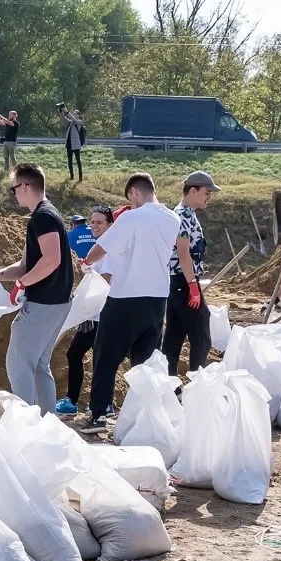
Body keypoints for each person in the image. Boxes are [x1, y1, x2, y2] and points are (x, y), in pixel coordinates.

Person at [78, 173, 180, 433]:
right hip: (157, 299)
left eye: (130, 198)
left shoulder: (131, 218)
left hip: (125, 298)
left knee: (106, 357)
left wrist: (87, 261)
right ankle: (145, 417)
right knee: (145, 363)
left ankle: (98, 415)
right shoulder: (172, 218)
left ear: (134, 192)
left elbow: (101, 248)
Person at [0, 163, 74, 414]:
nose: (14, 193)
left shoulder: (43, 217)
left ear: (25, 186)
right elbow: (27, 265)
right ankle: (46, 423)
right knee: (39, 365)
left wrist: (22, 283)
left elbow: (51, 260)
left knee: (19, 363)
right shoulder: (45, 215)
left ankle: (25, 424)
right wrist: (0, 275)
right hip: (57, 301)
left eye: (14, 188)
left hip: (44, 302)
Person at [57, 206, 118, 415]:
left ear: (110, 224)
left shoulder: (108, 250)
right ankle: (78, 400)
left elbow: (106, 282)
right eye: (92, 222)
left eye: (99, 222)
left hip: (102, 314)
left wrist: (84, 301)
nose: (94, 226)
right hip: (94, 313)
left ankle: (101, 403)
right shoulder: (100, 246)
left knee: (97, 358)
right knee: (78, 354)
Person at [162, 171, 218, 375]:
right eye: (206, 192)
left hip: (178, 281)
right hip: (183, 281)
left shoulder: (184, 214)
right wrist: (193, 285)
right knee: (202, 335)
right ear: (192, 191)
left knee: (174, 335)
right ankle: (197, 382)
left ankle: (169, 383)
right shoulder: (183, 214)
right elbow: (183, 253)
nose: (208, 197)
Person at [59, 105, 84, 182]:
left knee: (78, 161)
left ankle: (80, 178)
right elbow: (64, 120)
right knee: (70, 161)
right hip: (69, 144)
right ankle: (72, 176)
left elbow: (73, 119)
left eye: (76, 114)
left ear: (79, 115)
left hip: (76, 144)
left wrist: (66, 110)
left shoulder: (79, 122)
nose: (74, 115)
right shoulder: (70, 123)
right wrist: (60, 111)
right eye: (74, 113)